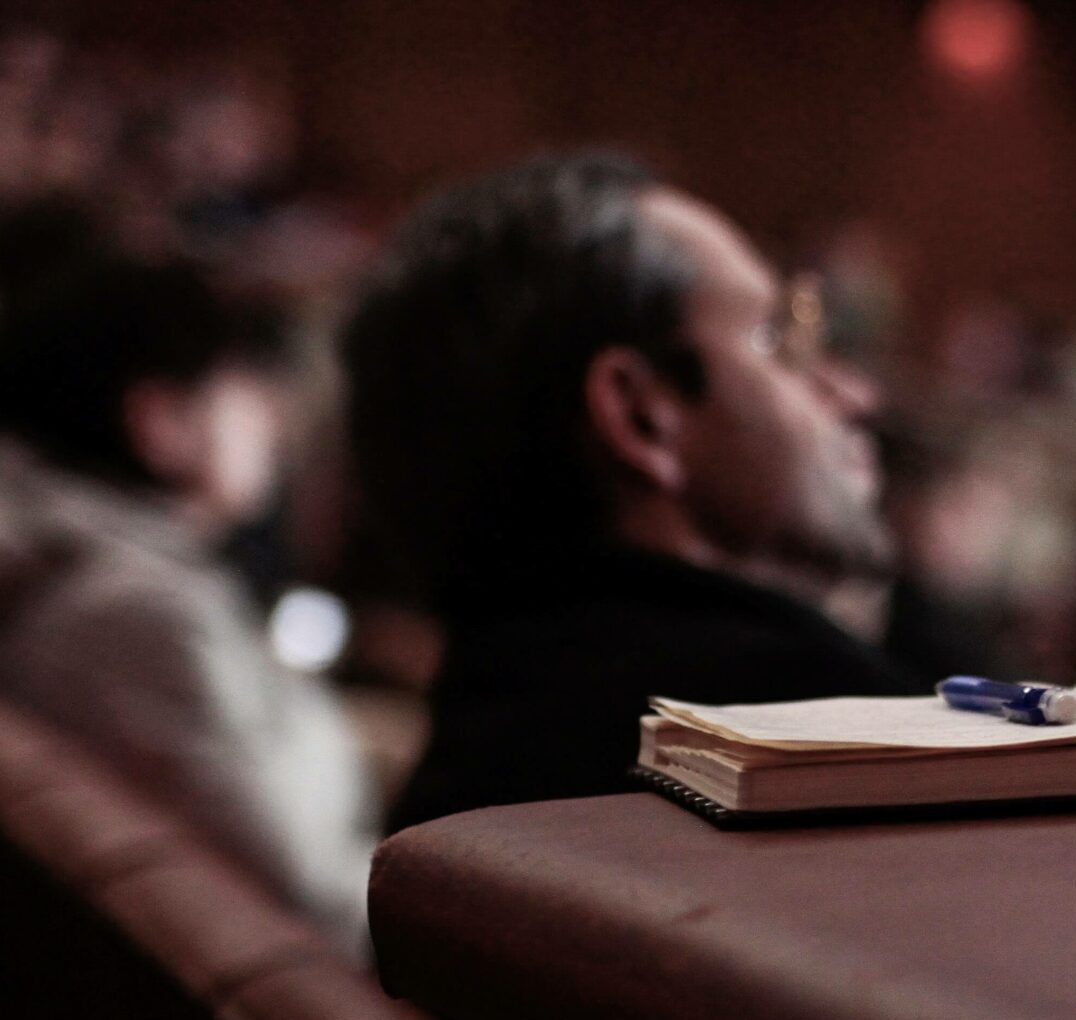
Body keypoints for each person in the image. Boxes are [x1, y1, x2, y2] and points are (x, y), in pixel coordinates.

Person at [340, 152, 920, 829]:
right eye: (775, 340)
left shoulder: (474, 760)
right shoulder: (820, 740)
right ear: (642, 416)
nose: (852, 394)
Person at [0, 255, 378, 949]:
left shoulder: (48, 551)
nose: (271, 420)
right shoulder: (133, 620)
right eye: (241, 383)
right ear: (160, 421)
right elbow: (313, 902)